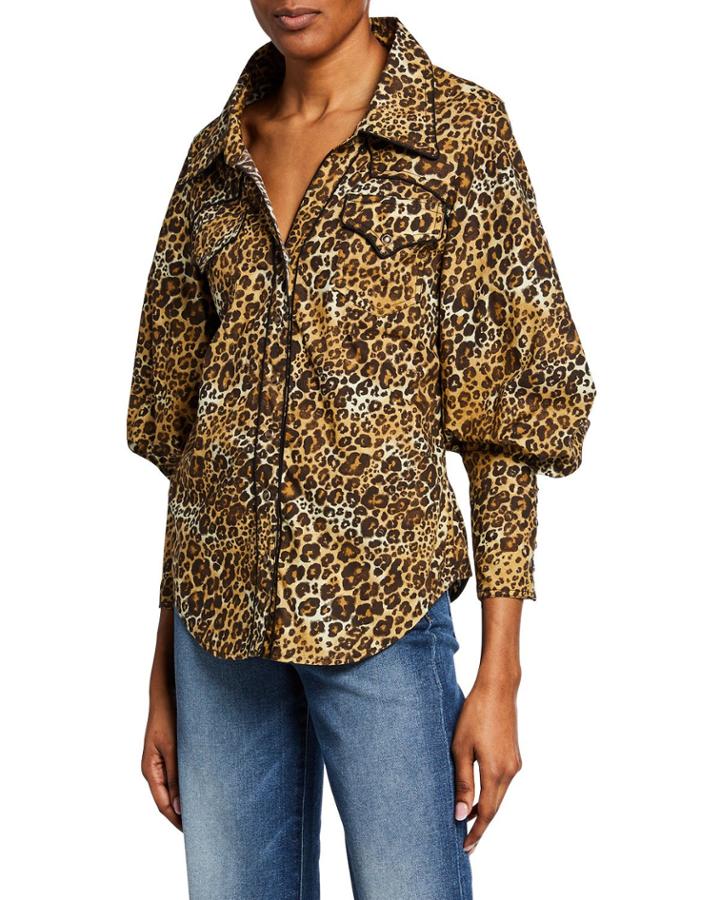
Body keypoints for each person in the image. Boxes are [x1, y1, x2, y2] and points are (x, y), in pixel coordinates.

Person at [126, 4, 596, 898]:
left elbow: (508, 418)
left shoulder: (458, 132)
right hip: (216, 634)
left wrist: (501, 673)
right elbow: (187, 438)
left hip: (382, 612)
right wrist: (164, 670)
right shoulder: (214, 160)